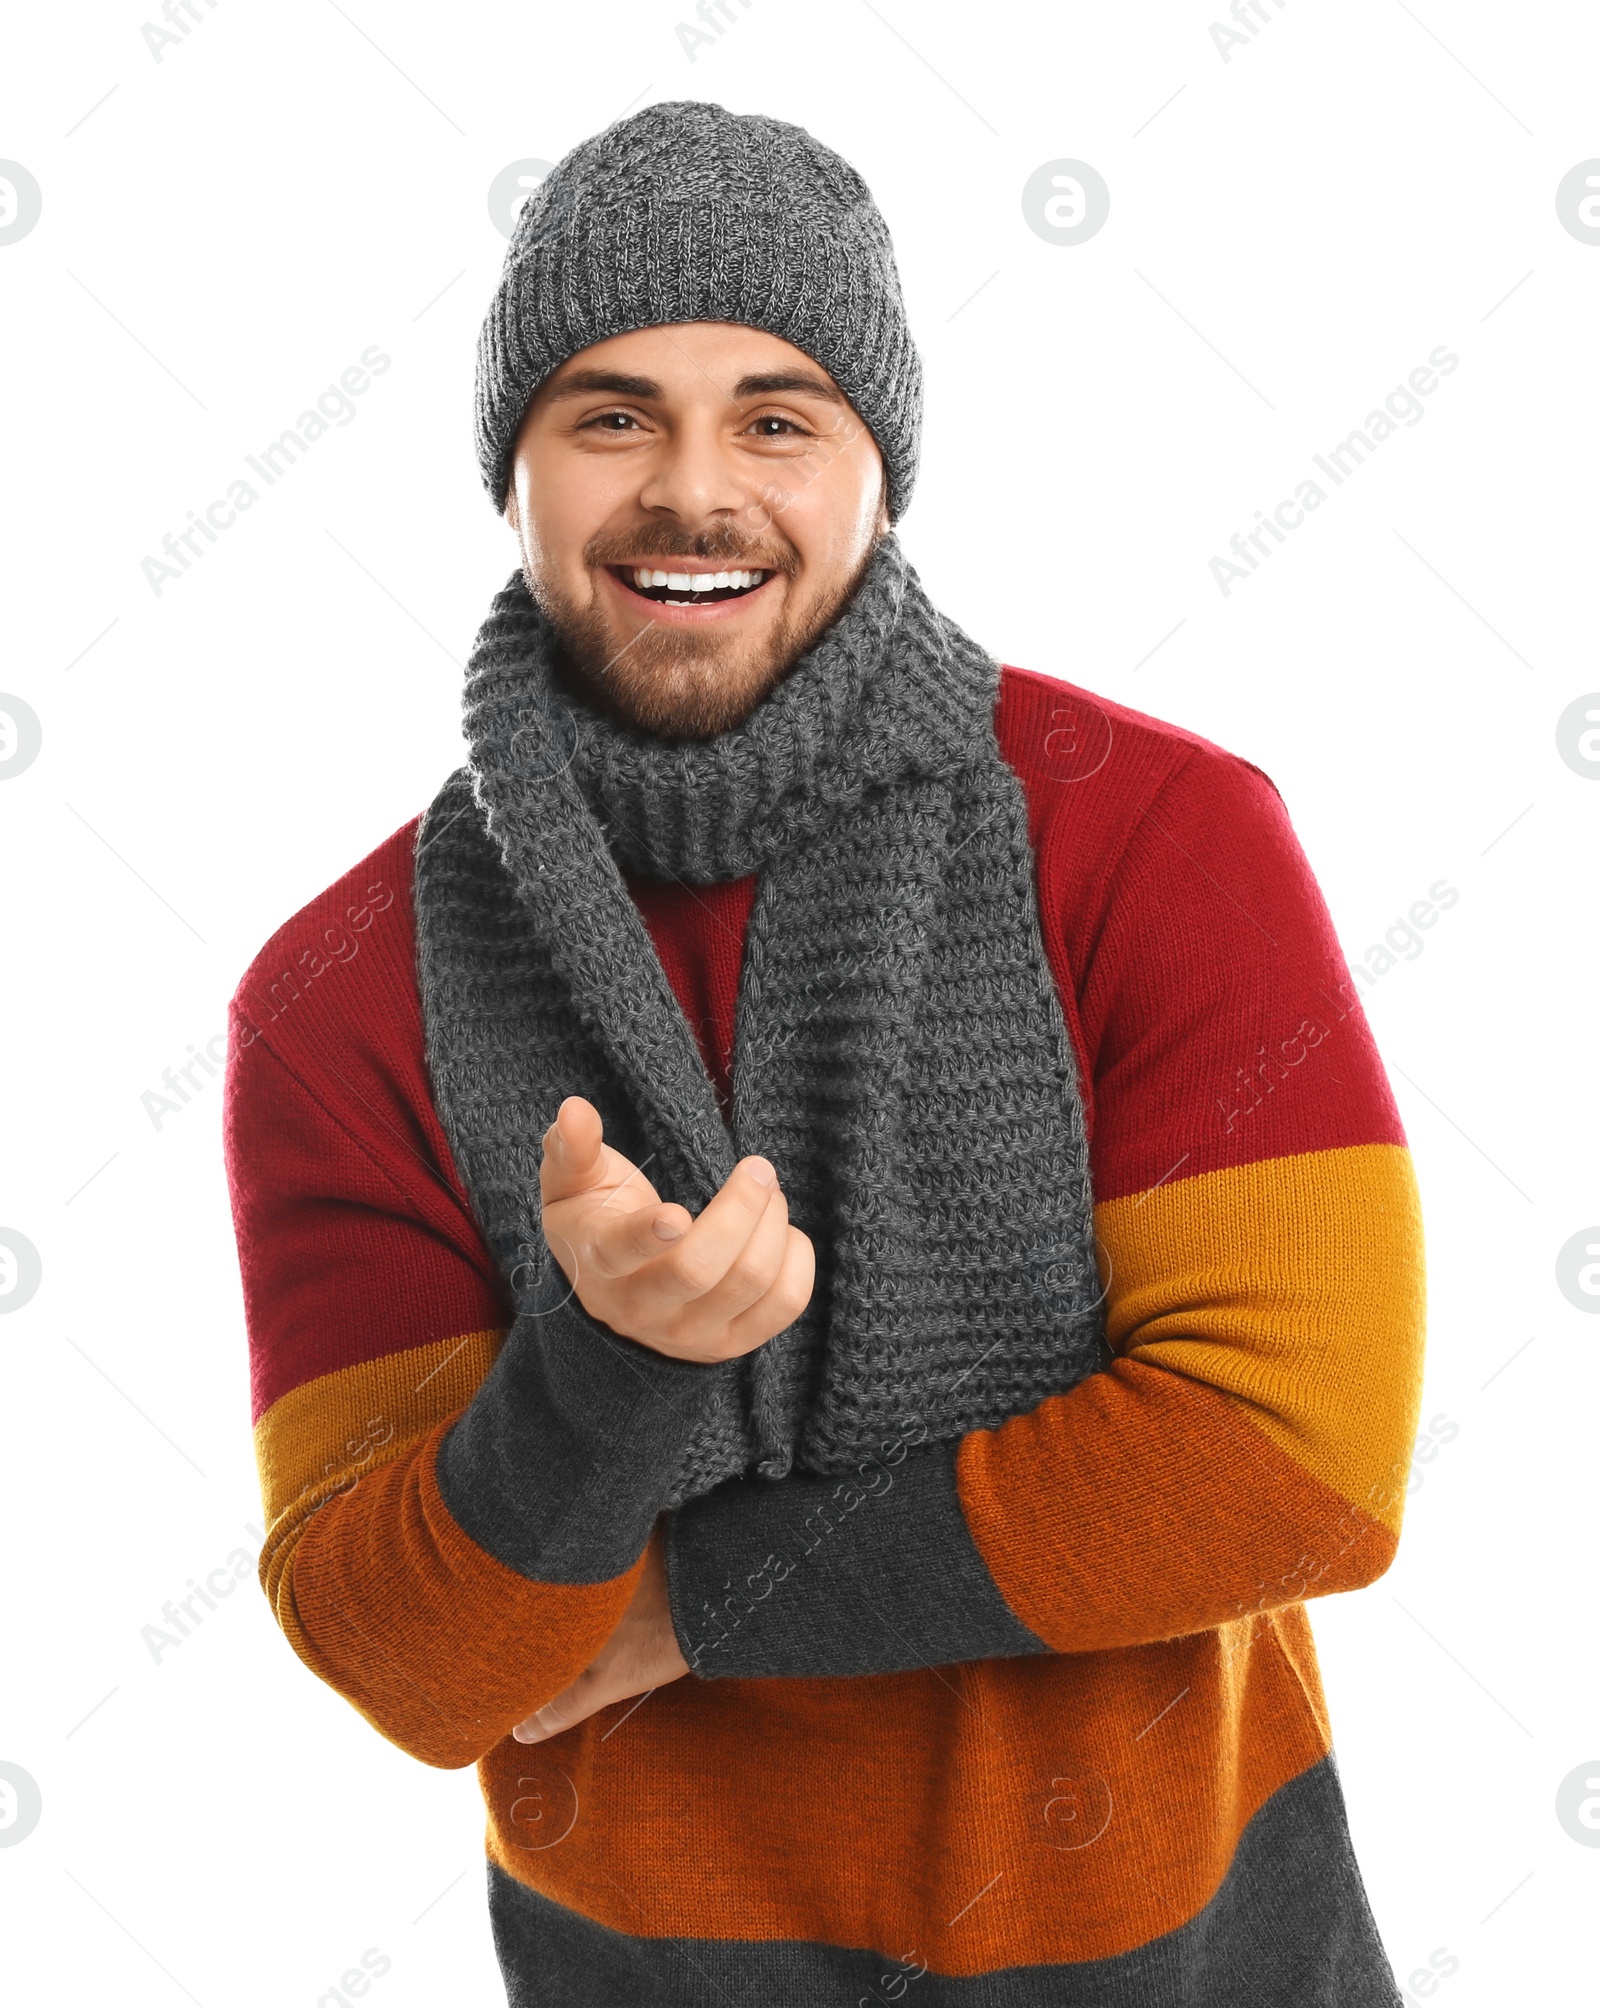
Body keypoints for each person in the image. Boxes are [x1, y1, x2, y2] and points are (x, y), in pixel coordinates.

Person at [223, 99, 1426, 2006]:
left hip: (1203, 1963)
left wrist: (697, 1602)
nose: (694, 490)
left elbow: (1293, 1464)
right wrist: (606, 1371)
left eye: (778, 419)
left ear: (881, 471)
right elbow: (412, 1661)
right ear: (511, 472)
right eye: (609, 415)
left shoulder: (1163, 837)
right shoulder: (340, 994)